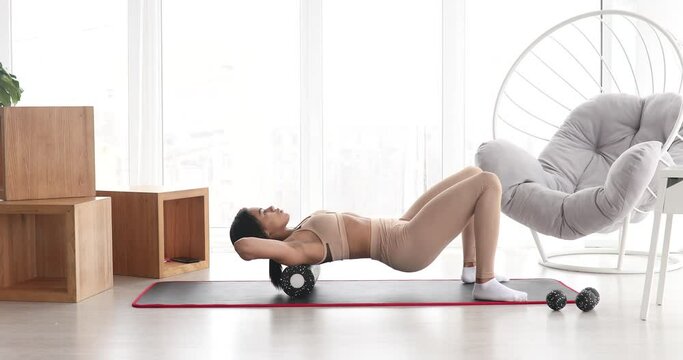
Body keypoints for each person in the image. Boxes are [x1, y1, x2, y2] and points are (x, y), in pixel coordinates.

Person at [229, 166, 527, 301]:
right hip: (405, 245)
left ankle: (472, 269)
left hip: (400, 225)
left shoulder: (298, 231)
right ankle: (485, 283)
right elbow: (244, 247)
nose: (270, 207)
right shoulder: (296, 249)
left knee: (474, 174)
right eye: (263, 213)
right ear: (265, 235)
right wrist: (263, 244)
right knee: (488, 183)